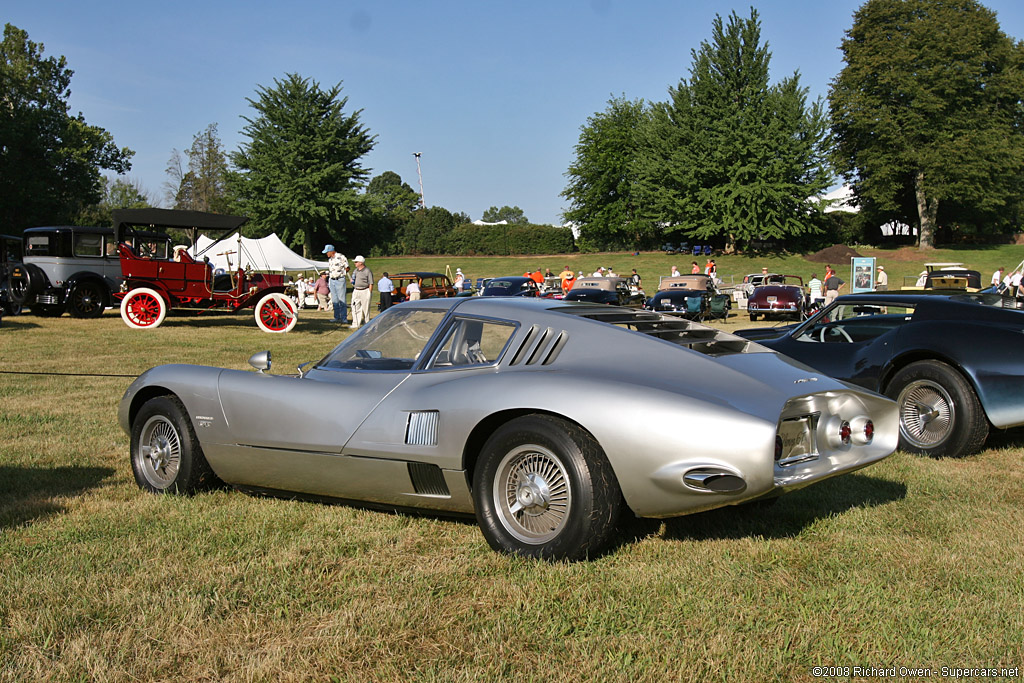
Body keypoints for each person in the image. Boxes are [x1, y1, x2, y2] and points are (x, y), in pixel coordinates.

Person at [322, 244, 349, 324]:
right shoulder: (330, 260)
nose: (326, 254)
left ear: (331, 251)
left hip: (339, 279)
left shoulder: (341, 257)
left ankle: (344, 318)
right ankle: (336, 317)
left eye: (327, 252)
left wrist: (341, 273)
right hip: (332, 280)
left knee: (342, 299)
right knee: (334, 300)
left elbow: (347, 267)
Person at [350, 256, 374, 328]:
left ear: (361, 263)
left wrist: (369, 292)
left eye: (356, 262)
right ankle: (356, 323)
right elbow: (354, 279)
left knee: (365, 308)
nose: (355, 263)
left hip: (365, 290)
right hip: (356, 290)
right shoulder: (355, 271)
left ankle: (366, 323)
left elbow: (371, 283)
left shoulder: (367, 271)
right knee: (354, 307)